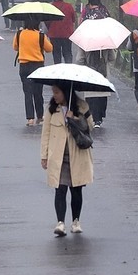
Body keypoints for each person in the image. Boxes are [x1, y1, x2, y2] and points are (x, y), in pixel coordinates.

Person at [40, 82, 94, 236]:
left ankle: (76, 221)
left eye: (57, 92)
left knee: (76, 189)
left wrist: (75, 118)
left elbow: (90, 127)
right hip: (58, 156)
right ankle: (60, 222)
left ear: (65, 92)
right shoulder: (52, 110)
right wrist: (44, 156)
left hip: (78, 155)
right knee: (60, 189)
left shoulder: (82, 106)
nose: (54, 95)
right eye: (53, 92)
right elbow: (46, 134)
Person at [77, 0, 113, 125]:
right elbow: (112, 57)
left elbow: (79, 59)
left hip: (89, 70)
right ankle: (99, 118)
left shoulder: (85, 34)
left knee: (90, 94)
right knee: (102, 93)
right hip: (103, 69)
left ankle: (91, 116)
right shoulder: (106, 35)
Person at [13, 16, 52, 126]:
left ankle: (30, 118)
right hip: (38, 66)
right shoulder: (40, 35)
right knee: (38, 92)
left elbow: (15, 47)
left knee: (27, 92)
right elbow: (49, 49)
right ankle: (40, 116)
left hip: (24, 66)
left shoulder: (19, 34)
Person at [46, 0, 76, 64]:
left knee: (56, 55)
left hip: (54, 34)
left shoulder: (50, 7)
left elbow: (47, 21)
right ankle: (68, 70)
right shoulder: (69, 6)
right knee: (67, 53)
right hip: (67, 34)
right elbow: (73, 19)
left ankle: (57, 71)